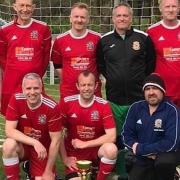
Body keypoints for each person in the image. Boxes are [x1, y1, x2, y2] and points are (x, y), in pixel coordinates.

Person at [96, 2, 156, 178]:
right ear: (113, 18)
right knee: (118, 137)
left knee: (138, 136)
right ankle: (120, 171)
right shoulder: (104, 40)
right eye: (118, 16)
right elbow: (101, 65)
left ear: (131, 18)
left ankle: (138, 171)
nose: (122, 19)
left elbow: (150, 65)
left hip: (137, 99)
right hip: (114, 99)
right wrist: (115, 79)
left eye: (125, 15)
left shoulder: (143, 38)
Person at [2, 73, 62, 180]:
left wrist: (48, 171)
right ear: (23, 89)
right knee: (8, 145)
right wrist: (34, 142)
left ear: (41, 88)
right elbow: (9, 130)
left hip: (41, 151)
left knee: (44, 178)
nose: (32, 92)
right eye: (28, 88)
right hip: (23, 147)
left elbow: (56, 141)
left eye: (36, 88)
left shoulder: (52, 107)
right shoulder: (16, 99)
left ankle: (32, 168)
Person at [59, 70, 118, 180]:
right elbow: (57, 133)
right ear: (77, 86)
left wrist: (85, 144)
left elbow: (111, 136)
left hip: (96, 154)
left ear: (96, 86)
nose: (86, 88)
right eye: (83, 85)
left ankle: (99, 176)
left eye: (90, 85)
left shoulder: (103, 105)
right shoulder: (66, 103)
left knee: (111, 149)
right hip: (75, 157)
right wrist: (65, 158)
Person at [122, 73, 180, 180]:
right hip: (142, 157)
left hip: (163, 156)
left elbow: (171, 142)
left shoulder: (172, 110)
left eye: (155, 88)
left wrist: (142, 149)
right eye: (147, 89)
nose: (151, 92)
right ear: (144, 92)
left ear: (163, 91)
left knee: (164, 162)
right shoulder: (135, 108)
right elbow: (126, 135)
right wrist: (143, 152)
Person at [0, 0, 52, 116]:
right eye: (21, 5)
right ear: (14, 7)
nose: (25, 9)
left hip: (34, 85)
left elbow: (45, 57)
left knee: (36, 120)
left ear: (33, 7)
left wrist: (35, 73)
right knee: (12, 121)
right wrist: (14, 71)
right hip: (12, 84)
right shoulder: (4, 30)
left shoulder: (43, 28)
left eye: (28, 5)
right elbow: (2, 58)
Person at [51, 2, 102, 100]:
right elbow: (57, 65)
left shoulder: (97, 38)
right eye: (76, 16)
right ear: (70, 18)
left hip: (92, 92)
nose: (79, 20)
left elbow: (101, 64)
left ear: (88, 20)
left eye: (83, 17)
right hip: (69, 92)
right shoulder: (60, 40)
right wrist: (68, 79)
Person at [147, 0, 180, 107]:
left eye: (174, 6)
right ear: (160, 9)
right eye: (167, 7)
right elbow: (148, 60)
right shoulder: (152, 31)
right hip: (163, 90)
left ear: (178, 8)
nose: (171, 10)